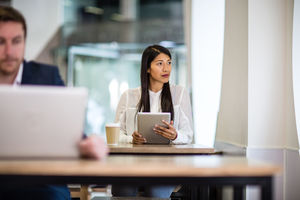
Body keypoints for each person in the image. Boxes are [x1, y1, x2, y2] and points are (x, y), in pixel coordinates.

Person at [0, 6, 108, 200]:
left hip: (44, 184)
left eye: (16, 41)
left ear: (24, 42)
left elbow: (72, 133)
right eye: (1, 42)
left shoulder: (46, 76)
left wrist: (89, 144)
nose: (9, 51)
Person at [113, 44, 193, 198]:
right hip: (131, 164)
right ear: (147, 68)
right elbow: (116, 135)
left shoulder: (179, 93)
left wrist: (175, 136)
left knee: (156, 192)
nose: (166, 68)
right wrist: (131, 139)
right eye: (160, 63)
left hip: (165, 165)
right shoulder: (129, 96)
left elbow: (188, 134)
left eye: (169, 62)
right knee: (122, 191)